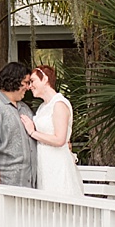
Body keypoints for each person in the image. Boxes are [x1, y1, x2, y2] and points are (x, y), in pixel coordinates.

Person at [19, 64, 85, 197]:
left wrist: (33, 132)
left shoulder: (59, 104)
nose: (30, 86)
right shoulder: (43, 107)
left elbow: (60, 139)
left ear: (45, 80)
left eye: (32, 81)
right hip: (45, 162)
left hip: (57, 162)